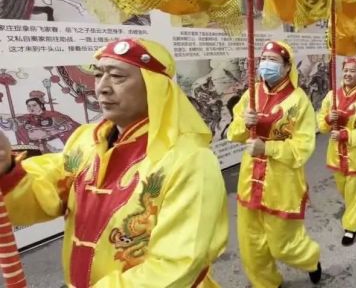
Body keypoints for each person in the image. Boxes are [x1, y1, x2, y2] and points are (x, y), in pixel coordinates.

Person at [0, 38, 228, 287]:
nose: (102, 88)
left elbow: (176, 264)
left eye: (118, 77)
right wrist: (8, 169)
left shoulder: (190, 160)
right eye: (98, 75)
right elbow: (42, 195)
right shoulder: (84, 140)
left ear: (155, 87)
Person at [227, 40, 322, 287]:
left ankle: (310, 259)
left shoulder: (299, 101)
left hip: (282, 184)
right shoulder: (251, 94)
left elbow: (303, 147)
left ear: (287, 65)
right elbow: (233, 134)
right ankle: (267, 283)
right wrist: (245, 124)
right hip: (249, 181)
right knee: (251, 246)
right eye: (263, 60)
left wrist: (267, 147)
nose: (266, 65)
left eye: (273, 61)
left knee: (284, 246)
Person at [317, 58, 356, 246]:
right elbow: (321, 123)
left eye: (353, 71)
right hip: (336, 153)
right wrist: (328, 118)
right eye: (346, 71)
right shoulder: (332, 96)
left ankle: (351, 226)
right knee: (344, 189)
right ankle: (353, 207)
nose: (348, 74)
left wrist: (348, 135)